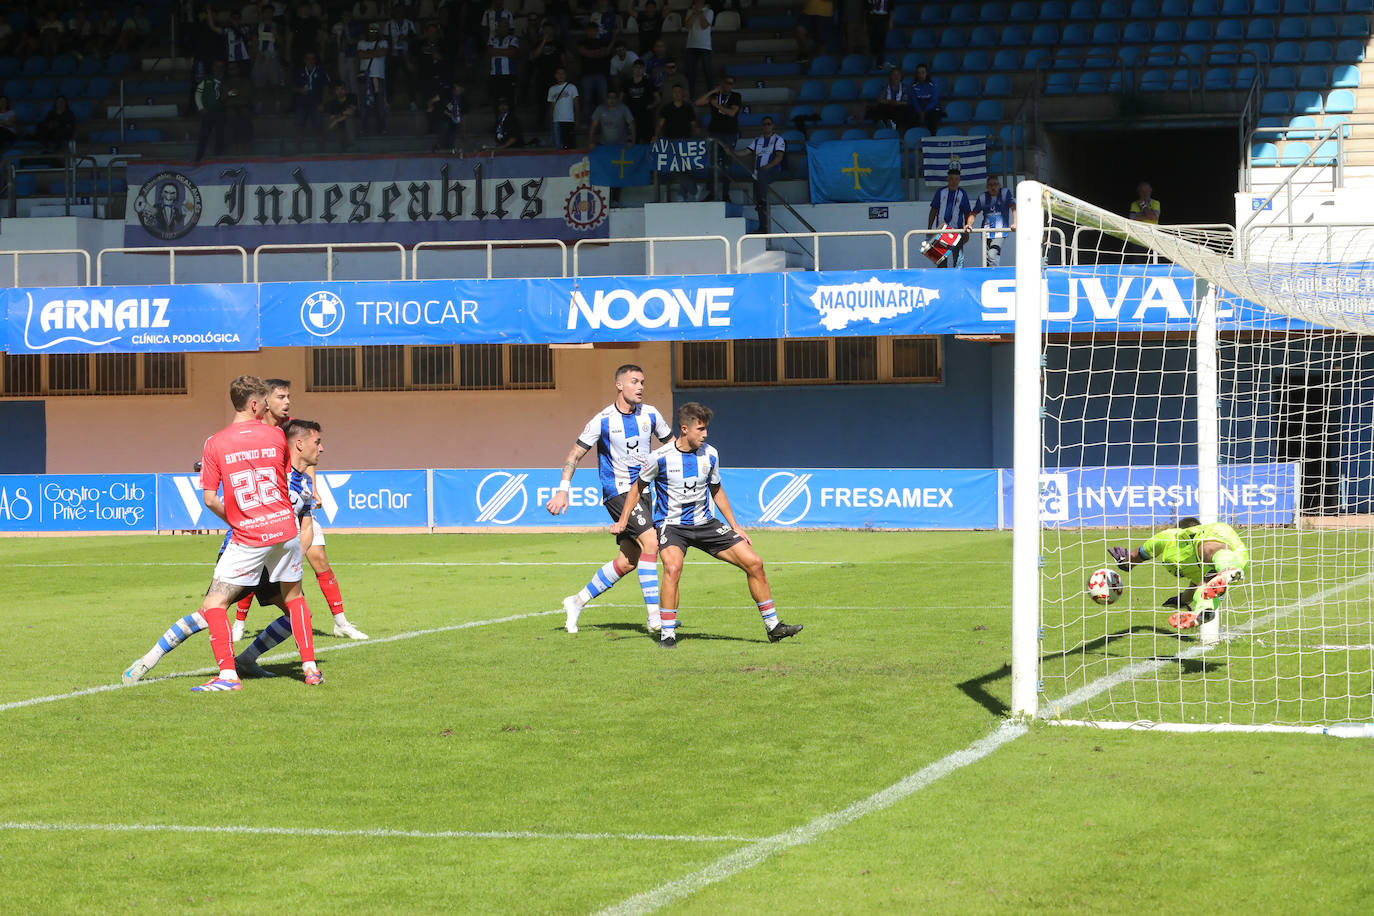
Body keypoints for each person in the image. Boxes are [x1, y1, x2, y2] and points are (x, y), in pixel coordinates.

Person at [121, 419, 328, 686]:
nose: (321, 449)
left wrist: (292, 560)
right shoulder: (276, 471)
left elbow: (306, 525)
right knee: (206, 613)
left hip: (274, 558)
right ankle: (147, 660)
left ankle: (246, 660)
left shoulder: (305, 484)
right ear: (299, 444)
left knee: (298, 615)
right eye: (317, 442)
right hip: (245, 551)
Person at [612, 402, 804, 650]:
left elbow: (716, 490)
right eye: (700, 429)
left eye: (706, 429)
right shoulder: (659, 458)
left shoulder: (710, 454)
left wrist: (735, 526)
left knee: (754, 562)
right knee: (672, 568)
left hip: (706, 524)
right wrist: (623, 520)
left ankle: (773, 627)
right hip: (672, 526)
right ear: (684, 429)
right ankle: (667, 634)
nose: (705, 434)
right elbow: (637, 488)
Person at [188, 376, 319, 690]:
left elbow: (209, 499)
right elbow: (283, 475)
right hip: (285, 528)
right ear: (254, 403)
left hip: (249, 533)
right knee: (295, 598)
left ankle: (228, 676)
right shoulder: (276, 436)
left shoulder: (214, 442)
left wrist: (238, 519)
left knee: (215, 604)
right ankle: (310, 669)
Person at [232, 378, 368, 642]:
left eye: (288, 397)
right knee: (255, 566)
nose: (287, 402)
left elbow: (307, 456)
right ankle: (239, 622)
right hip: (268, 509)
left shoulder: (293, 428)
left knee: (320, 561)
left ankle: (341, 622)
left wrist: (313, 489)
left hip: (297, 504)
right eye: (281, 397)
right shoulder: (254, 429)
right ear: (264, 401)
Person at [547, 364, 673, 635]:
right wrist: (562, 490)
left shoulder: (651, 415)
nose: (640, 387)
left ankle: (576, 601)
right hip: (617, 492)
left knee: (628, 561)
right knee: (651, 542)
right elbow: (574, 456)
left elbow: (673, 446)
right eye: (634, 382)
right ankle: (655, 619)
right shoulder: (602, 420)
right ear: (619, 385)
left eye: (643, 382)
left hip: (646, 492)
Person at [1107, 516, 1249, 630]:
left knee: (1208, 549)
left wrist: (1124, 563)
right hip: (1238, 561)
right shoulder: (1198, 568)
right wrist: (1181, 600)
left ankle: (1226, 569)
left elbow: (1136, 555)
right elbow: (1194, 586)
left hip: (1224, 556)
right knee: (1204, 588)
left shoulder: (1172, 535)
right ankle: (1204, 611)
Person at [652, 83, 699, 201]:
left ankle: (682, 194)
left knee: (686, 169)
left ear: (682, 93)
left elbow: (693, 125)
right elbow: (660, 124)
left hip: (686, 143)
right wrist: (656, 136)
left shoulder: (688, 107)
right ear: (672, 94)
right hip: (671, 143)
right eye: (675, 92)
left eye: (679, 91)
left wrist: (695, 136)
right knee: (675, 168)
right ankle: (694, 189)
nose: (677, 94)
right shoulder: (666, 108)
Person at [697, 75, 740, 201]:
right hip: (715, 133)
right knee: (712, 164)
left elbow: (732, 113)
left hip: (729, 134)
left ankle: (726, 194)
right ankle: (711, 193)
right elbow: (698, 102)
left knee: (727, 164)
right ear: (722, 83)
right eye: (726, 82)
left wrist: (716, 106)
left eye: (731, 83)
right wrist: (712, 92)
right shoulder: (715, 96)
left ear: (733, 85)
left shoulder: (736, 96)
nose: (728, 85)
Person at [928, 165, 972, 268]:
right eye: (951, 179)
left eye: (956, 179)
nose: (953, 181)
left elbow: (967, 213)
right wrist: (929, 228)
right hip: (941, 231)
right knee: (941, 260)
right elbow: (933, 210)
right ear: (947, 179)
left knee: (958, 260)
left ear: (959, 180)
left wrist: (967, 230)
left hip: (957, 231)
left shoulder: (962, 194)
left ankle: (958, 280)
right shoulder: (941, 192)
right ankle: (942, 282)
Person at [968, 174, 1015, 267]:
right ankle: (989, 278)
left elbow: (1014, 207)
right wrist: (969, 224)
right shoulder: (982, 197)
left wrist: (1015, 223)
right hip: (986, 232)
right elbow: (973, 213)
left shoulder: (1005, 193)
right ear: (987, 187)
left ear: (999, 185)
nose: (993, 187)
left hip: (1000, 232)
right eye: (990, 185)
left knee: (992, 255)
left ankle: (996, 276)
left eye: (995, 184)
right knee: (988, 259)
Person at [748, 116, 786, 232]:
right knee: (758, 201)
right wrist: (732, 152)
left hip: (772, 171)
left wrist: (766, 167)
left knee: (761, 199)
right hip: (758, 175)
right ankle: (763, 227)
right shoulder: (757, 140)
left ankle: (763, 200)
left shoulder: (778, 139)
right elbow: (746, 151)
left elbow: (779, 157)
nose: (766, 126)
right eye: (764, 124)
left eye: (769, 124)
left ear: (773, 126)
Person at [292, 50, 332, 148]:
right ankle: (297, 149)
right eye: (308, 58)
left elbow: (326, 88)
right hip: (302, 104)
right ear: (304, 60)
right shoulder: (299, 72)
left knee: (318, 127)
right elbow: (292, 87)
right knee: (299, 127)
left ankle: (322, 149)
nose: (310, 61)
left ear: (315, 60)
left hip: (316, 104)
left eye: (312, 58)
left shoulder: (321, 72)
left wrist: (323, 103)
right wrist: (300, 90)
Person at [356, 21, 389, 135]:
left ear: (378, 32)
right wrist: (375, 52)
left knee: (380, 105)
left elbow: (383, 53)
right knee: (363, 105)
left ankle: (382, 128)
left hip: (378, 77)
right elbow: (361, 55)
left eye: (375, 30)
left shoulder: (383, 42)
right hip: (365, 77)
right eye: (371, 30)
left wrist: (368, 53)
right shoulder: (362, 43)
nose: (373, 32)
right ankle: (363, 129)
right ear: (368, 31)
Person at [575, 23, 610, 125]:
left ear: (597, 31)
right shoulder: (582, 42)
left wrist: (591, 53)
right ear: (586, 31)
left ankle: (605, 123)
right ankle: (585, 124)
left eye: (594, 30)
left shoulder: (602, 42)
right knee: (587, 100)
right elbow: (584, 52)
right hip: (586, 75)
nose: (591, 32)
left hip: (601, 75)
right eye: (589, 30)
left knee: (604, 99)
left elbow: (605, 52)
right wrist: (597, 53)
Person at [193, 61, 227, 162]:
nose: (218, 68)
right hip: (207, 112)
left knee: (220, 133)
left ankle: (218, 156)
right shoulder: (206, 79)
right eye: (216, 66)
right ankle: (199, 157)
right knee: (204, 134)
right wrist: (201, 108)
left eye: (220, 66)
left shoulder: (225, 80)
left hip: (221, 111)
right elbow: (198, 94)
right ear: (212, 67)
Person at [865, 66, 913, 131]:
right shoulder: (885, 87)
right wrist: (890, 102)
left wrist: (896, 103)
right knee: (880, 107)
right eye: (894, 74)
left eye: (898, 74)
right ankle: (883, 124)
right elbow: (880, 100)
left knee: (904, 109)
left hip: (900, 108)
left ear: (901, 76)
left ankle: (894, 125)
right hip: (888, 107)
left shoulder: (905, 87)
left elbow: (906, 101)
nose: (896, 77)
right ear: (890, 76)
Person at [621, 59, 657, 143]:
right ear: (633, 68)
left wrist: (651, 106)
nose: (638, 70)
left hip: (646, 116)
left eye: (640, 68)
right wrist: (624, 110)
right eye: (636, 67)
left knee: (648, 141)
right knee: (633, 141)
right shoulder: (627, 82)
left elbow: (657, 98)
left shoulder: (648, 82)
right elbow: (620, 98)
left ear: (643, 69)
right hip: (631, 116)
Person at [682, 0, 713, 96]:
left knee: (707, 71)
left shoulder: (709, 11)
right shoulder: (690, 12)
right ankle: (691, 95)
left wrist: (700, 13)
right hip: (691, 45)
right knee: (691, 72)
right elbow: (687, 26)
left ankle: (711, 95)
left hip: (705, 46)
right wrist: (694, 13)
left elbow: (704, 25)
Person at [222, 63, 256, 150]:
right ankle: (232, 144)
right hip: (230, 107)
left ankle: (247, 143)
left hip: (244, 106)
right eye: (230, 69)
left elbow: (248, 95)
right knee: (231, 117)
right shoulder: (226, 82)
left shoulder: (245, 81)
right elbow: (223, 96)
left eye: (234, 68)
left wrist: (234, 95)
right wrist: (231, 94)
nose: (232, 70)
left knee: (245, 116)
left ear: (238, 69)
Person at [487, 18, 518, 109]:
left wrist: (496, 52)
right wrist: (505, 52)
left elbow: (512, 52)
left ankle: (510, 122)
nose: (503, 28)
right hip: (495, 75)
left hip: (509, 75)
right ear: (497, 27)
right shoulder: (492, 39)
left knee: (509, 101)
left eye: (505, 26)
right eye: (501, 26)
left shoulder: (513, 38)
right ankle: (497, 122)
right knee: (496, 101)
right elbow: (489, 51)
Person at [547, 65, 580, 149]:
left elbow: (576, 104)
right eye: (558, 73)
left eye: (563, 73)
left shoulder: (572, 87)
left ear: (566, 75)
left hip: (568, 120)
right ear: (555, 75)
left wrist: (577, 119)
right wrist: (551, 119)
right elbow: (551, 106)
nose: (561, 75)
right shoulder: (552, 89)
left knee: (569, 144)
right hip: (556, 120)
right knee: (558, 145)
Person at [429, 81, 466, 152]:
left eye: (462, 89)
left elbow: (461, 115)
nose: (460, 90)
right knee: (445, 125)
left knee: (455, 126)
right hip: (441, 119)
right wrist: (430, 105)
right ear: (455, 86)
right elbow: (433, 101)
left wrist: (463, 130)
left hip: (452, 121)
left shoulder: (461, 100)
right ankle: (438, 146)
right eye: (459, 88)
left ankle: (451, 147)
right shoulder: (446, 93)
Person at [322, 80, 359, 151]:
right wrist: (338, 119)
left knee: (349, 120)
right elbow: (332, 118)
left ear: (345, 90)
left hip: (354, 124)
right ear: (335, 91)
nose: (340, 91)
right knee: (336, 125)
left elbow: (350, 112)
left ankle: (351, 146)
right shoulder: (332, 103)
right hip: (341, 126)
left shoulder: (352, 97)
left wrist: (336, 120)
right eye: (337, 89)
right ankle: (341, 147)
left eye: (342, 89)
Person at [910, 64, 942, 134]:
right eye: (918, 73)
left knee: (933, 117)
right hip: (919, 109)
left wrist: (924, 111)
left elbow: (934, 101)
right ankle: (912, 136)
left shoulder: (933, 85)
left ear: (926, 73)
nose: (921, 75)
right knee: (910, 115)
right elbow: (914, 101)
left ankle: (932, 137)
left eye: (923, 72)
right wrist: (920, 111)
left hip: (931, 109)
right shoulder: (913, 86)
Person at [866, 0, 892, 70]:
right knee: (872, 43)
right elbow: (865, 8)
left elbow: (891, 9)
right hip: (872, 21)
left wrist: (890, 22)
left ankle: (880, 63)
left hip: (883, 21)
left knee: (881, 43)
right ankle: (870, 64)